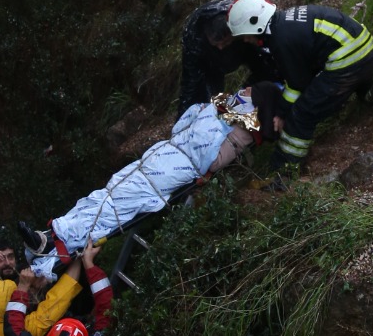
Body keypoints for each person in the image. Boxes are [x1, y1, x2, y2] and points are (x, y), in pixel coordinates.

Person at [21, 85, 284, 277]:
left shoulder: (238, 130)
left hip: (171, 170)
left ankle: (56, 245)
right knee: (109, 191)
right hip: (160, 156)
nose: (243, 91)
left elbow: (209, 160)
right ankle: (52, 235)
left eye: (249, 92)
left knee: (118, 205)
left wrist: (203, 129)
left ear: (257, 104)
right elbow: (184, 126)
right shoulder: (221, 107)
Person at [224, 0, 373, 172]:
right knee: (356, 86)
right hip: (367, 52)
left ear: (255, 25)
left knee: (303, 113)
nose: (246, 40)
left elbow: (297, 84)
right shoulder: (286, 20)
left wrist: (282, 113)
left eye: (245, 35)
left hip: (348, 61)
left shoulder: (280, 41)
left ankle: (284, 171)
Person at [178, 0, 279, 114]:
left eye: (224, 42)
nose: (221, 47)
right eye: (216, 44)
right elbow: (190, 83)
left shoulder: (243, 27)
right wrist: (184, 113)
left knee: (265, 71)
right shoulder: (195, 41)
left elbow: (265, 58)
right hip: (209, 61)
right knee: (205, 95)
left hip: (244, 48)